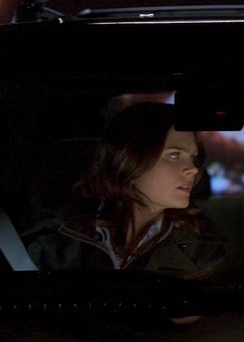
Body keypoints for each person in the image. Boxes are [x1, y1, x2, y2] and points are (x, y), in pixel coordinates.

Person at [23, 101, 228, 275]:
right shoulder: (53, 244)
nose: (193, 169)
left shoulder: (204, 250)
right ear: (130, 159)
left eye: (194, 158)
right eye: (175, 155)